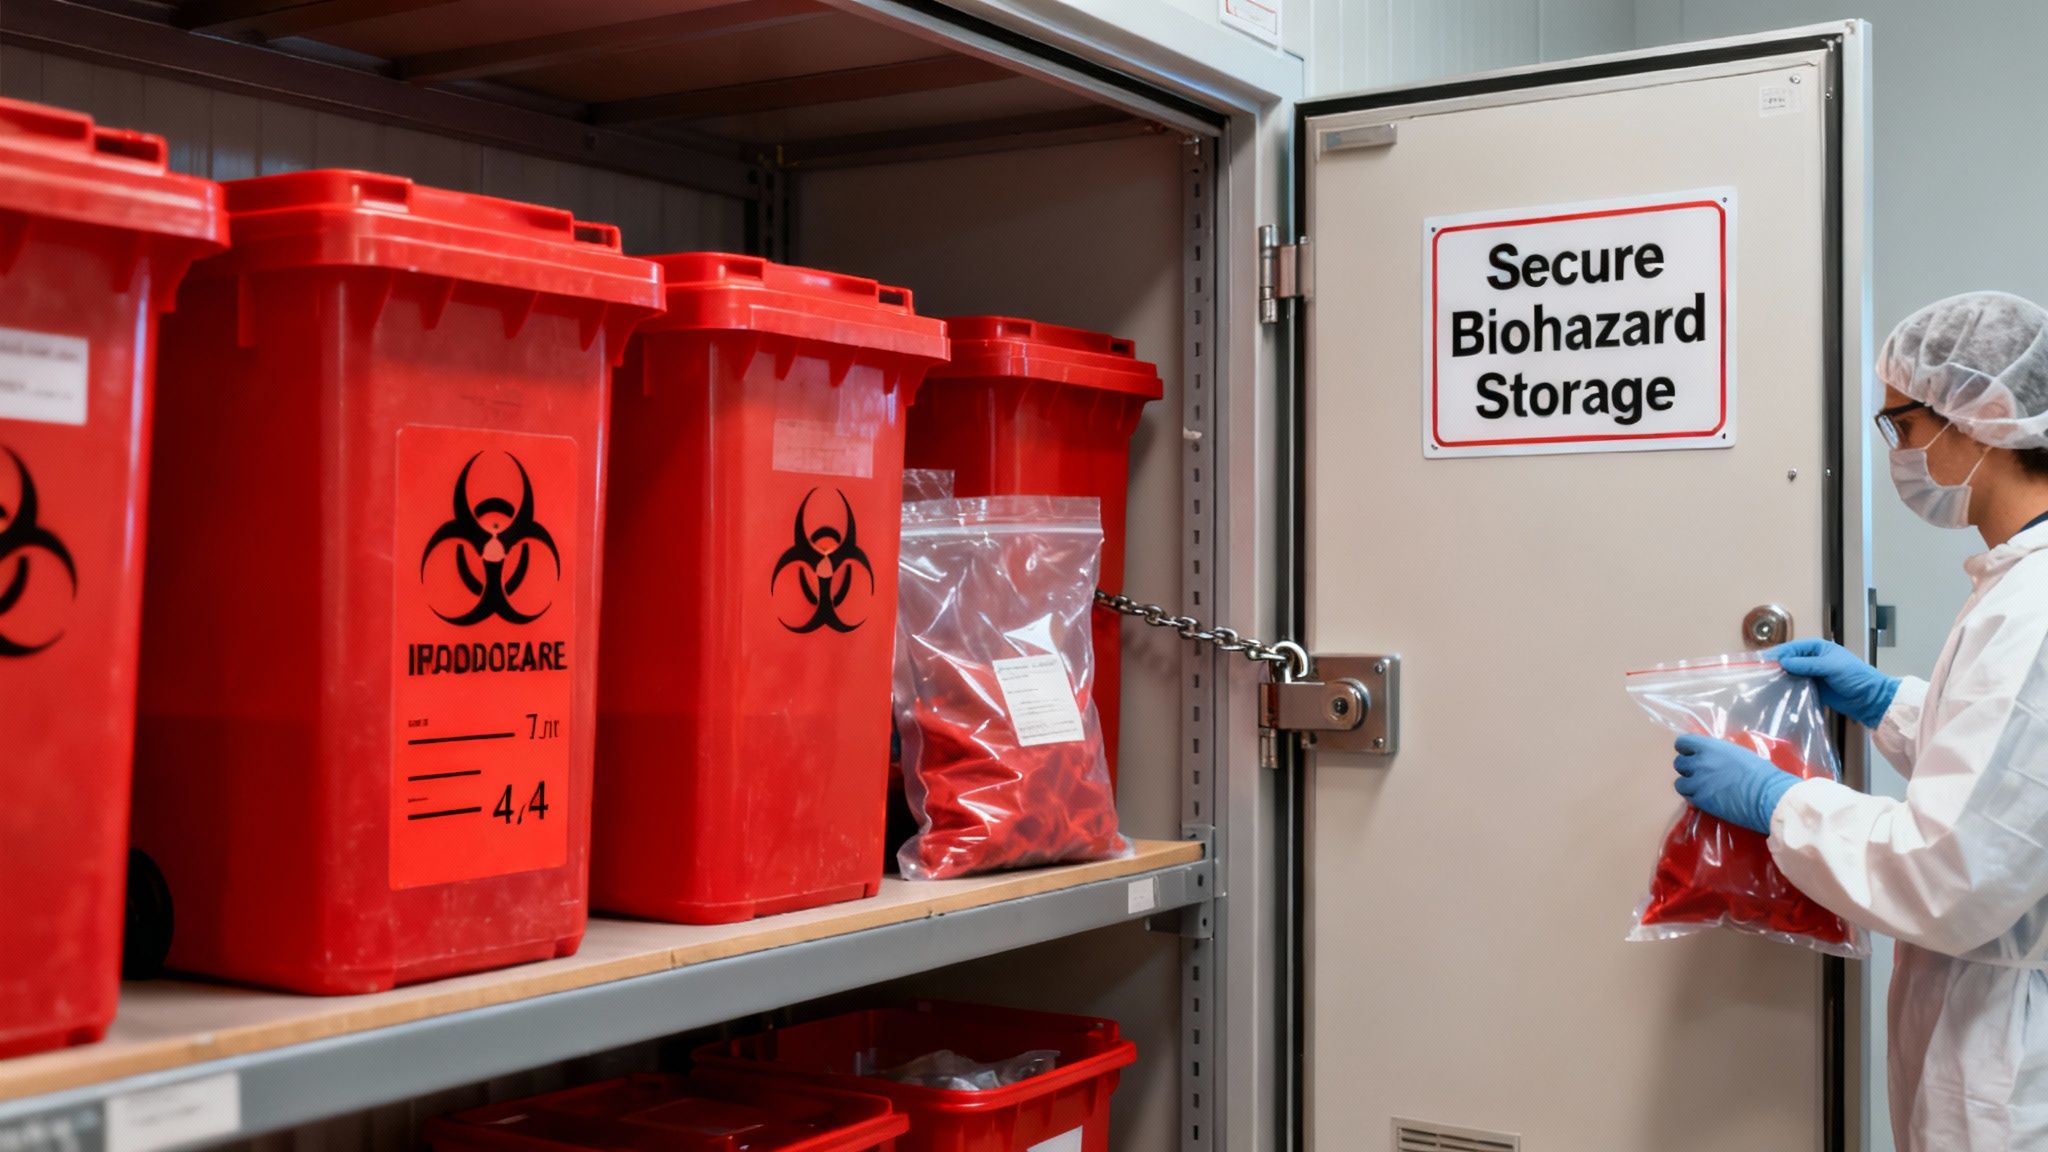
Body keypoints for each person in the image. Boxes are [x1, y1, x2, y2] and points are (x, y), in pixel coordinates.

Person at [1670, 290, 2048, 1151]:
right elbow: (2011, 770)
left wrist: (1780, 802)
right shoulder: (2016, 586)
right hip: (1985, 1018)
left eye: (1903, 427)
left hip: (2014, 1072)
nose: (1902, 454)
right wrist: (1890, 703)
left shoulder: (2035, 609)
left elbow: (1952, 870)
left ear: (1978, 417)